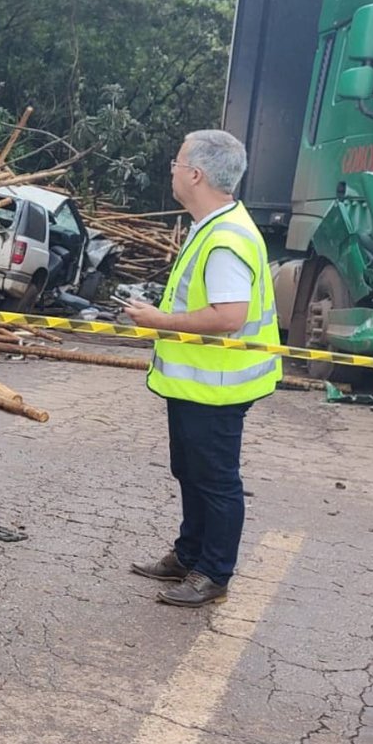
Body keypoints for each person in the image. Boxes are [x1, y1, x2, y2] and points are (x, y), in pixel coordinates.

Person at [121, 130, 281, 608]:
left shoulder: (227, 237)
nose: (171, 168)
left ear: (195, 174)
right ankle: (188, 554)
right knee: (189, 470)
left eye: (176, 162)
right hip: (197, 381)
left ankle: (213, 573)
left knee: (215, 479)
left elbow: (229, 317)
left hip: (218, 385)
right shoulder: (212, 223)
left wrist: (158, 322)